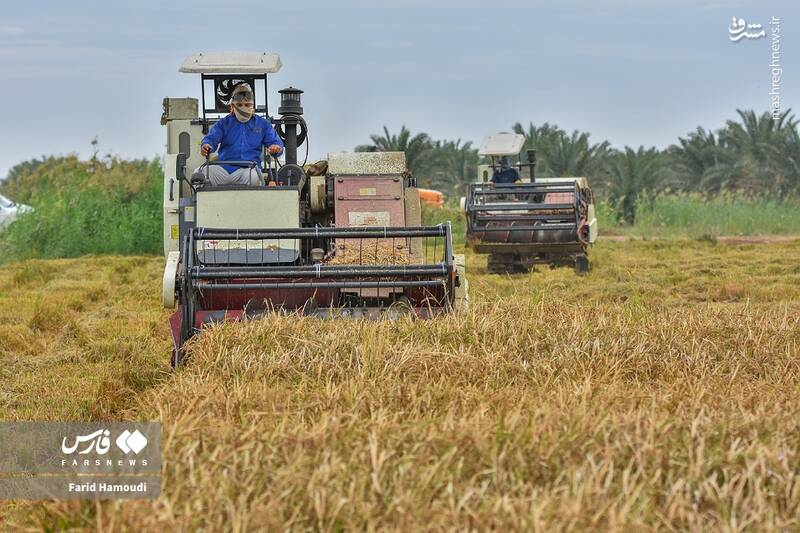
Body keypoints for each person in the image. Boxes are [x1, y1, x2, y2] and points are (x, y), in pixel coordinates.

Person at [192, 84, 284, 186]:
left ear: (253, 105)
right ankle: (201, 202)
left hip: (248, 170)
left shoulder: (263, 124)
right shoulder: (223, 123)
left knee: (254, 177)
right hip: (223, 170)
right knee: (199, 173)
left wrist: (275, 148)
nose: (243, 108)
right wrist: (206, 145)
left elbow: (276, 143)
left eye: (247, 105)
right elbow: (210, 139)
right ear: (232, 106)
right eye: (239, 105)